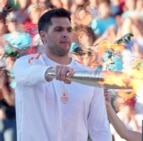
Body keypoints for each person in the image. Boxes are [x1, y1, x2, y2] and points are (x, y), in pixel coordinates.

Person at [13, 8, 112, 141]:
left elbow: (100, 129)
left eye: (69, 30)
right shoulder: (25, 64)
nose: (65, 34)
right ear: (43, 36)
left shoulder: (90, 76)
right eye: (58, 30)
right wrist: (51, 72)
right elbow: (26, 75)